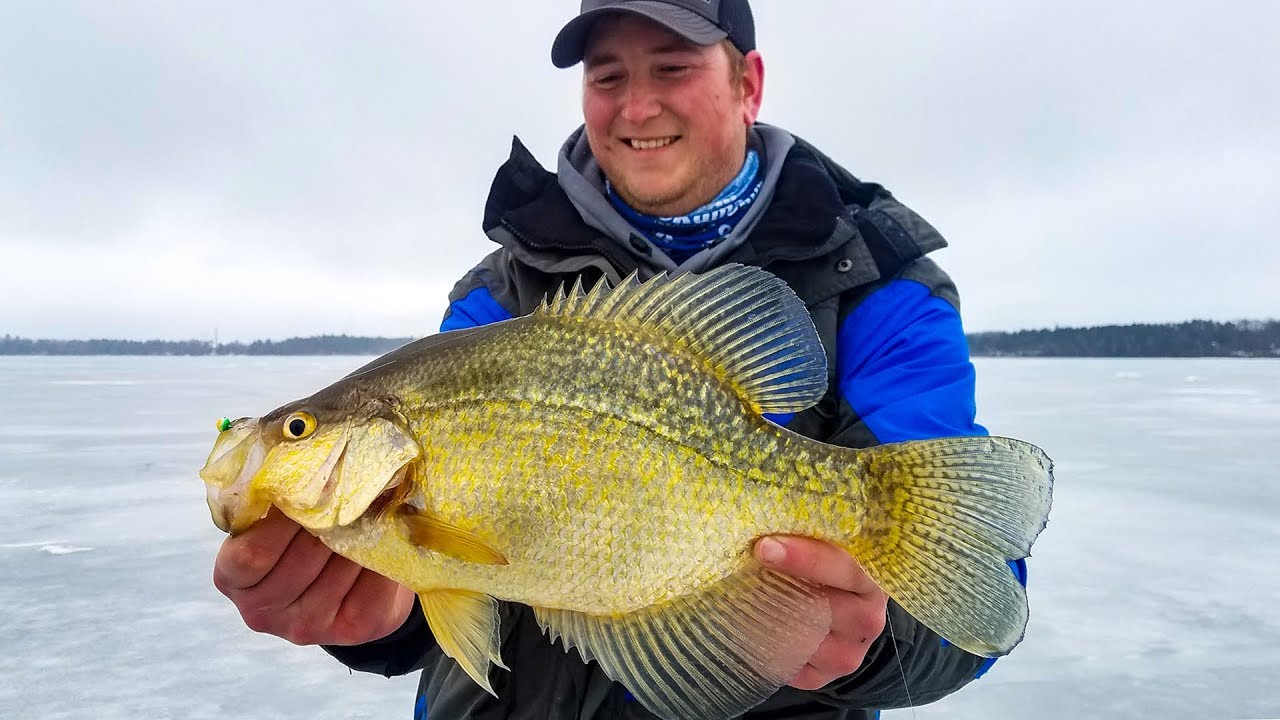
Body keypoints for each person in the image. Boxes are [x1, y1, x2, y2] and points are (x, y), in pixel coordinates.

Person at [213, 1, 1029, 717]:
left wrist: (878, 642)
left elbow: (968, 603)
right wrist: (375, 621)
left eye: (671, 67)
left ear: (748, 81)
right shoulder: (497, 295)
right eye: (607, 77)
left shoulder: (882, 289)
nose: (637, 106)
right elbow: (445, 600)